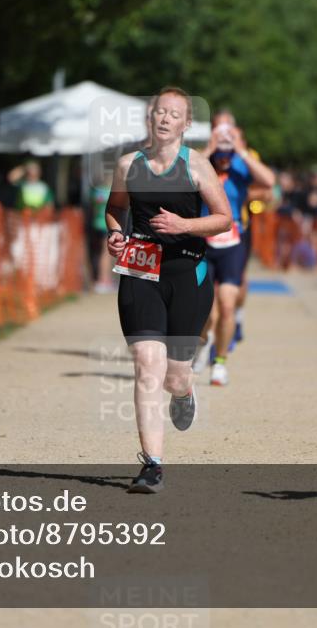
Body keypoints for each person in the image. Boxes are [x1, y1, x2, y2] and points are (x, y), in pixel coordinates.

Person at [105, 87, 232, 493]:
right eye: (159, 112)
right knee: (146, 365)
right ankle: (152, 465)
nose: (163, 119)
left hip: (187, 274)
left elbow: (224, 219)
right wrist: (114, 235)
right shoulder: (128, 165)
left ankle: (185, 389)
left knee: (173, 378)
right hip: (140, 271)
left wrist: (184, 226)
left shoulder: (196, 166)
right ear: (150, 117)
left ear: (185, 124)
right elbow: (114, 209)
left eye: (173, 114)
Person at [192, 115, 274, 385]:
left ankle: (220, 362)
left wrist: (239, 150)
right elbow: (182, 173)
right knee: (206, 311)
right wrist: (211, 147)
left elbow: (269, 180)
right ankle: (204, 343)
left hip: (233, 242)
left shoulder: (240, 162)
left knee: (227, 305)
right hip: (203, 240)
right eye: (222, 153)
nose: (225, 158)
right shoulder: (203, 163)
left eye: (229, 153)